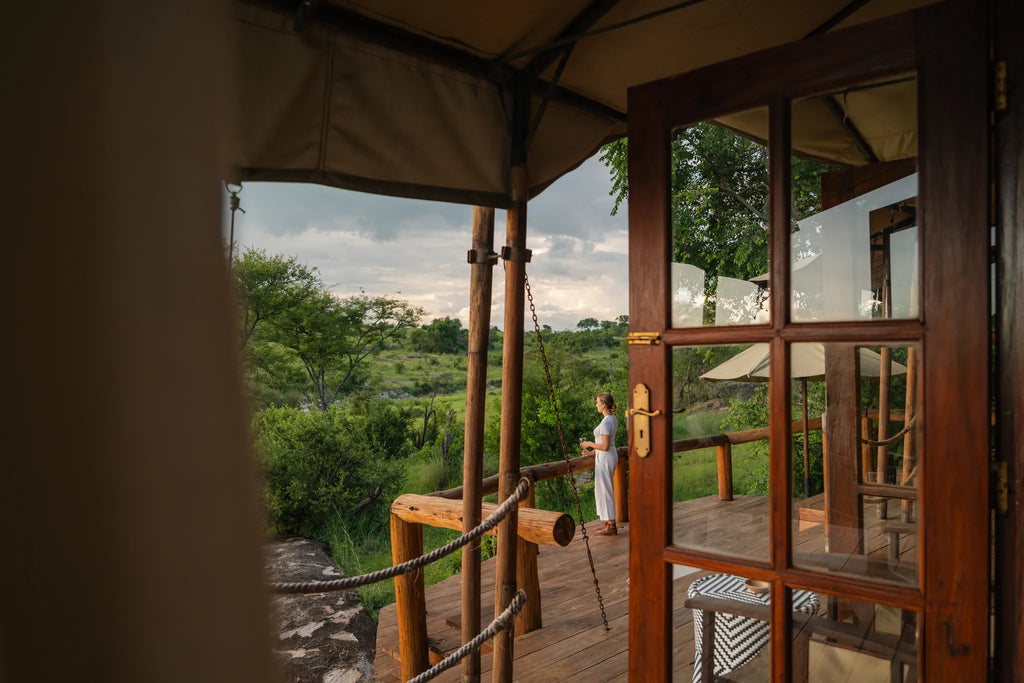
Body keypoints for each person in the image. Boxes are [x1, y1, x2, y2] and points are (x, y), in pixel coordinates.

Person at [580, 392, 619, 536]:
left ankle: (612, 526)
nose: (596, 405)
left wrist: (589, 444)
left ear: (603, 404)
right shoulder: (612, 419)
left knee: (606, 490)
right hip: (605, 456)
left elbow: (605, 446)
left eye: (597, 402)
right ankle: (606, 522)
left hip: (606, 457)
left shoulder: (606, 422)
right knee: (602, 490)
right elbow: (604, 446)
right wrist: (591, 453)